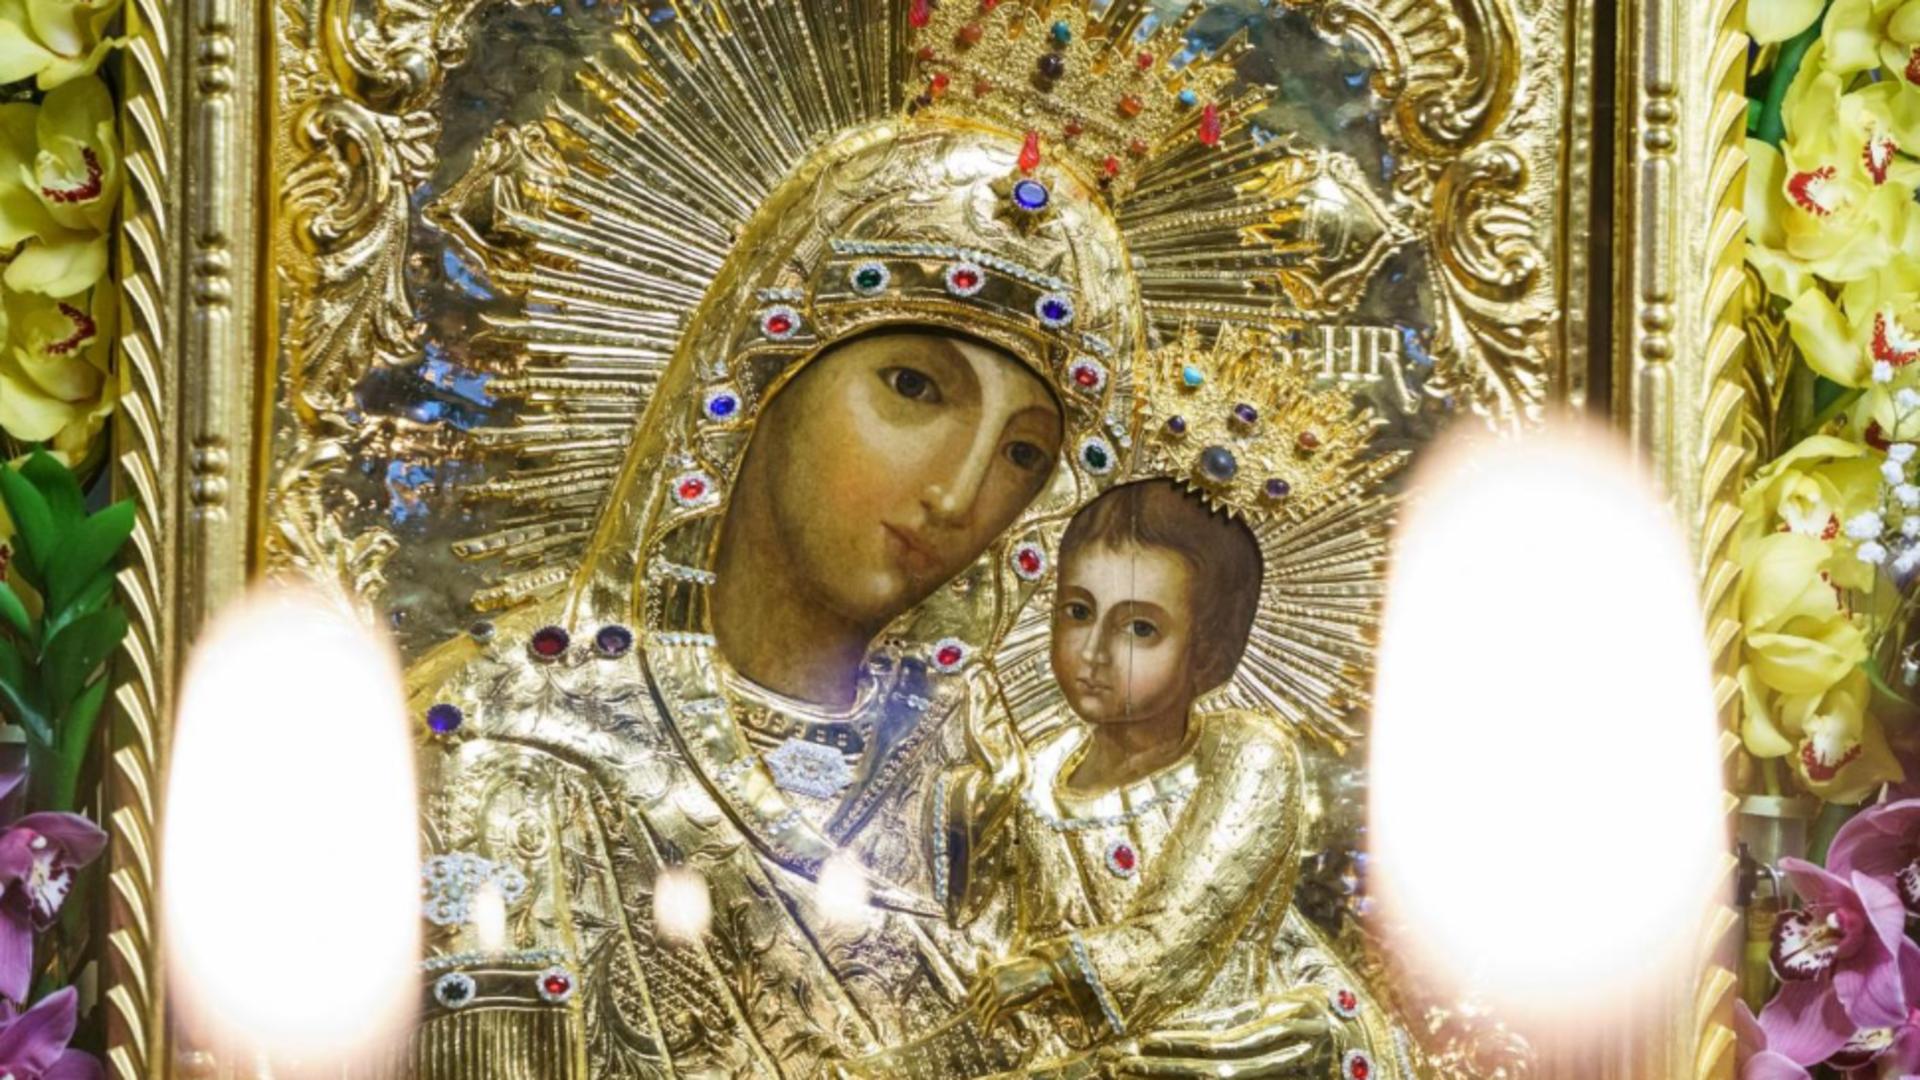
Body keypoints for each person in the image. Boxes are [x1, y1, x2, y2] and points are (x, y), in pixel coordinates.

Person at [839, 480, 1405, 1079]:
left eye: (1139, 628)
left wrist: (1052, 969)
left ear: (1209, 655)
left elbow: (1178, 939)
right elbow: (997, 969)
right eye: (1078, 613)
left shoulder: (1246, 756)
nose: (1095, 652)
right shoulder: (1035, 782)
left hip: (1223, 1053)